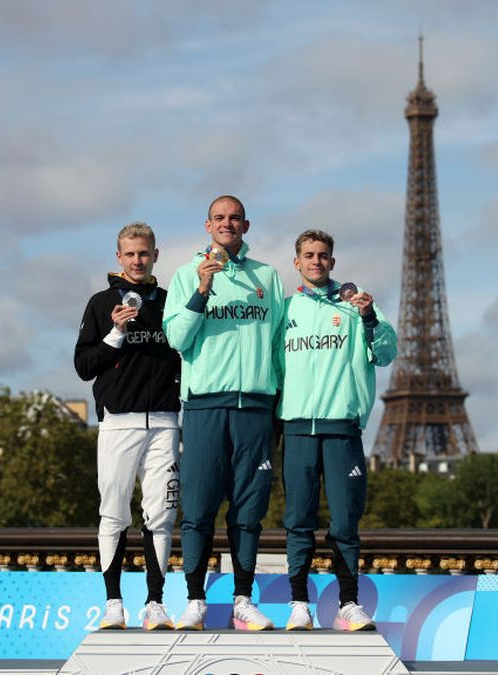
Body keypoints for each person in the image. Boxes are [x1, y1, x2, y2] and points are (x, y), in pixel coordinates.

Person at [162, 195, 284, 631]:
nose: (227, 224)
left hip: (254, 407)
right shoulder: (183, 275)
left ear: (245, 226)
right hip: (205, 405)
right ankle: (195, 600)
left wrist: (279, 405)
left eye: (234, 219)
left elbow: (276, 348)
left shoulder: (267, 277)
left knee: (249, 512)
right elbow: (177, 338)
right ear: (207, 226)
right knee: (197, 509)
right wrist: (201, 290)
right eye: (219, 218)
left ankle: (242, 600)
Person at [277, 229, 397, 632]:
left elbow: (385, 353)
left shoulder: (355, 304)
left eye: (323, 255)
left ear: (333, 262)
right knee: (298, 519)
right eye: (309, 255)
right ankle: (299, 604)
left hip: (342, 427)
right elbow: (273, 368)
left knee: (345, 521)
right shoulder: (285, 309)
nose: (316, 261)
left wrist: (368, 316)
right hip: (296, 427)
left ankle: (349, 602)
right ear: (297, 262)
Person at [74, 222, 182, 631]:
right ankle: (114, 603)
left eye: (145, 253)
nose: (138, 261)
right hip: (119, 422)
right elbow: (83, 367)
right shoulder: (101, 304)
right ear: (118, 257)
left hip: (166, 423)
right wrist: (116, 333)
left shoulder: (171, 304)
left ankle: (155, 602)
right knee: (113, 513)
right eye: (130, 254)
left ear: (156, 254)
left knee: (162, 513)